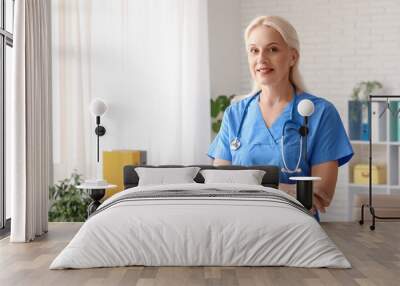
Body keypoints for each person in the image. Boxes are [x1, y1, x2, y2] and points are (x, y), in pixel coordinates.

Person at [208, 16, 353, 217]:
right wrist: (283, 187)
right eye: (254, 50)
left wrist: (250, 184)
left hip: (295, 233)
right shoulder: (235, 113)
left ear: (293, 57)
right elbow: (218, 185)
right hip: (237, 227)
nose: (261, 59)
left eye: (273, 49)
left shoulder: (320, 113)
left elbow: (321, 196)